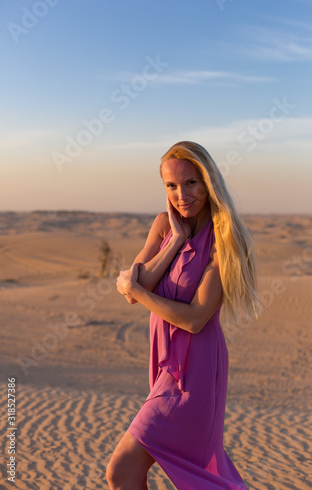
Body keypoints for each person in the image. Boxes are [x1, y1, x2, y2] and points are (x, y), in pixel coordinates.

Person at [106, 141, 259, 490]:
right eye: (171, 186)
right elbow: (136, 283)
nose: (181, 195)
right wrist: (175, 239)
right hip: (164, 366)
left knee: (121, 471)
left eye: (191, 183)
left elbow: (194, 318)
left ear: (208, 183)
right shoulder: (164, 224)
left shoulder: (224, 238)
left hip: (196, 371)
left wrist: (140, 293)